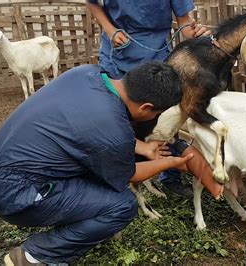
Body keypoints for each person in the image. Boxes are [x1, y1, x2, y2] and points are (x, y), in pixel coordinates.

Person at [0, 61, 223, 265]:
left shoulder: (87, 73)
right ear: (147, 107)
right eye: (156, 114)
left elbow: (84, 131)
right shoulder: (113, 129)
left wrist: (143, 147)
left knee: (98, 174)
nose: (155, 118)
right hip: (14, 195)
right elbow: (131, 174)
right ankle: (35, 255)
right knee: (121, 205)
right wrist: (171, 163)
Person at [87, 0, 212, 198]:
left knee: (165, 118)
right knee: (116, 116)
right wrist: (110, 30)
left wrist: (195, 33)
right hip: (117, 53)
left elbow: (184, 22)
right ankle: (118, 177)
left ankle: (169, 178)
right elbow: (93, 3)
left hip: (155, 55)